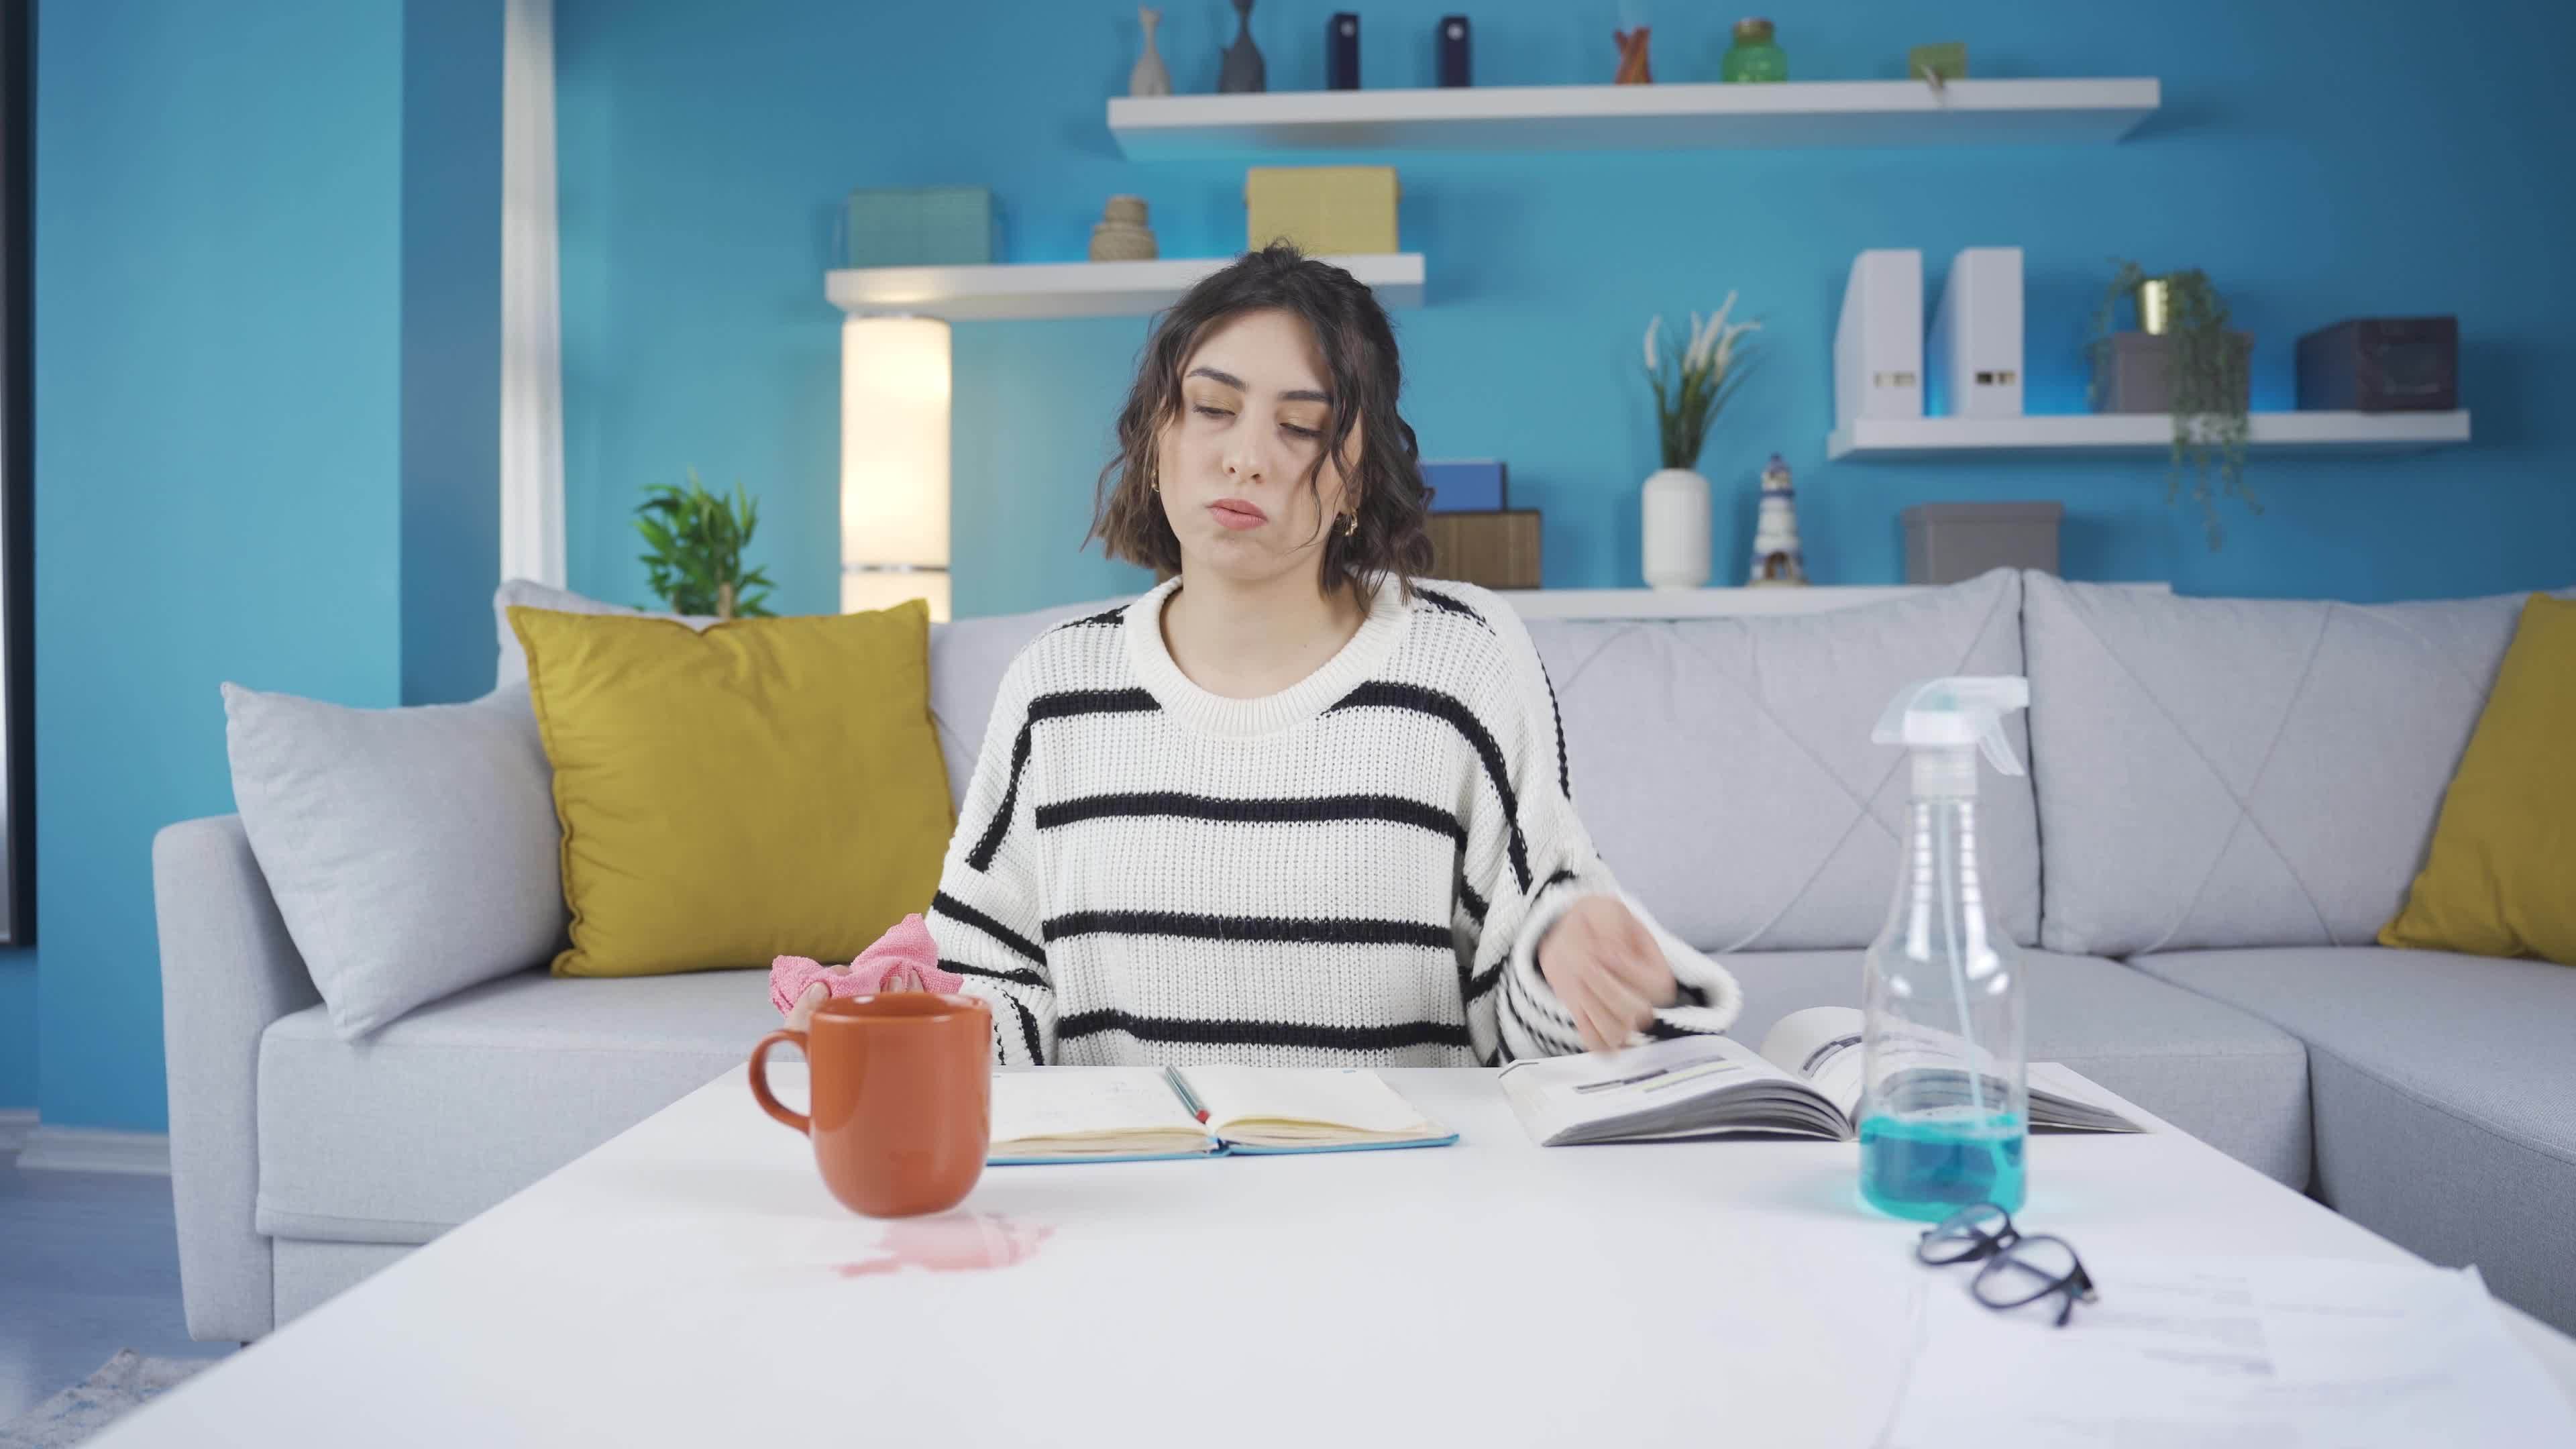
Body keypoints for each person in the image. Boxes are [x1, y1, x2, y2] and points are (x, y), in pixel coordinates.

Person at [788, 243, 1740, 1063]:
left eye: (1300, 427)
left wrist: (1571, 969)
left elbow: (1525, 1007)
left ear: (1360, 474)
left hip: (1400, 1211)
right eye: (1211, 409)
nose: (1247, 456)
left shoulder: (1464, 664)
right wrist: (892, 1023)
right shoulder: (1055, 688)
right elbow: (992, 983)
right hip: (1129, 1212)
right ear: (1155, 438)